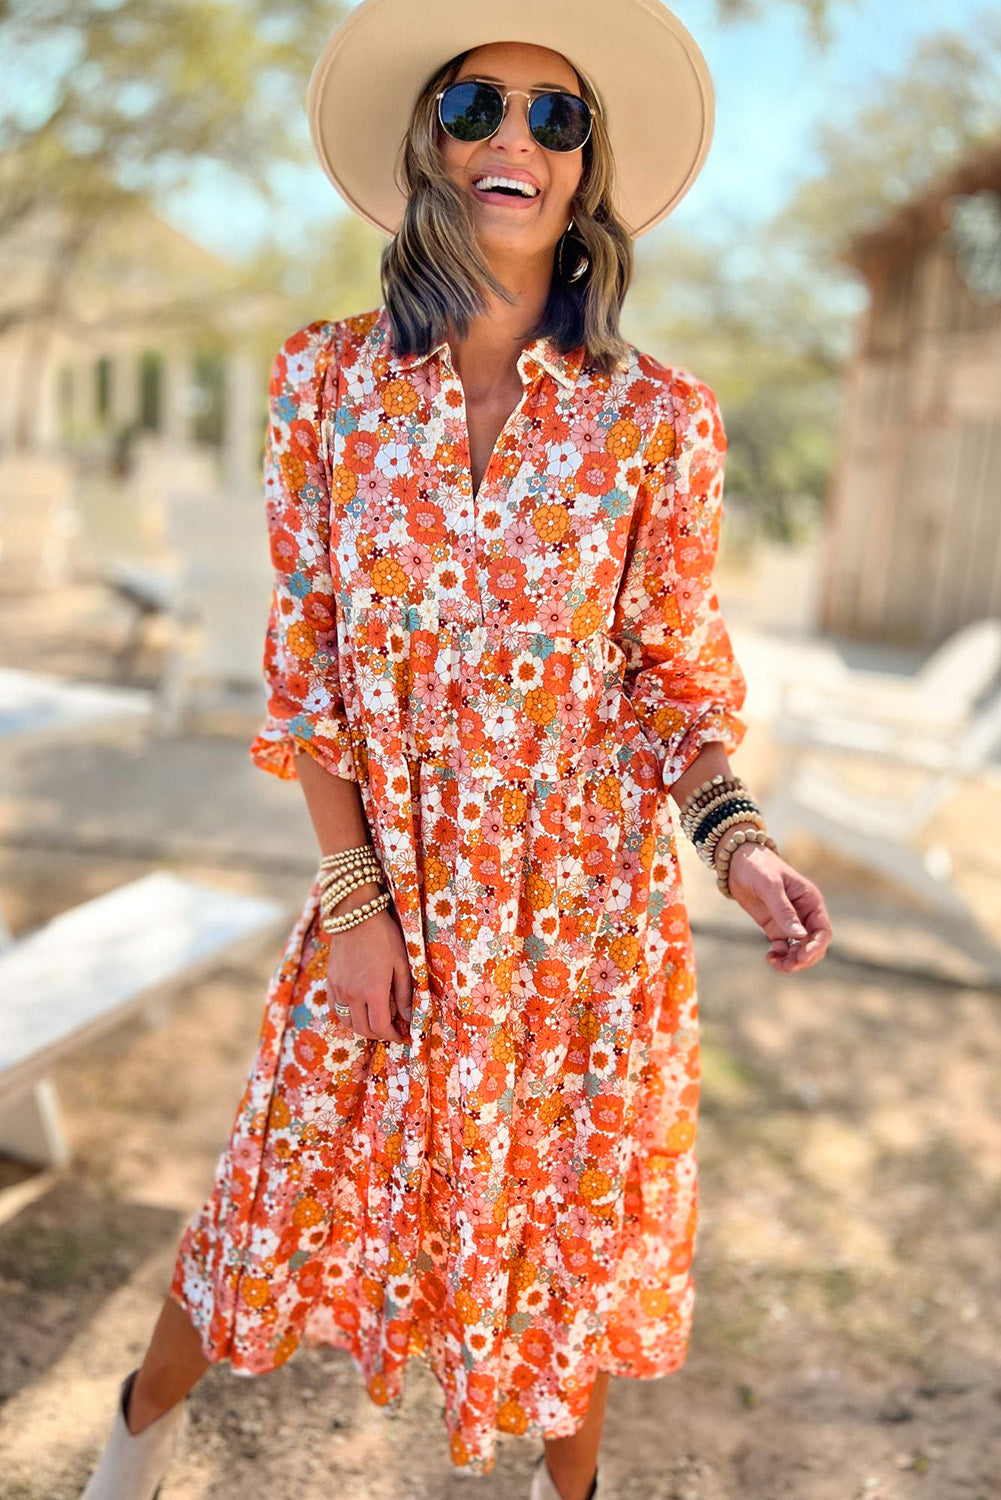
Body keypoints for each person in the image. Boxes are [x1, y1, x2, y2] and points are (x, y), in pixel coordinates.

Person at [80, 2, 833, 1497]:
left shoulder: (658, 423)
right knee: (267, 1201)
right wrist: (356, 907)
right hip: (391, 907)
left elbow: (670, 683)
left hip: (579, 932)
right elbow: (306, 679)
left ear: (586, 165)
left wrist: (741, 846)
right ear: (432, 142)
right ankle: (124, 1449)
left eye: (554, 120)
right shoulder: (326, 383)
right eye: (478, 106)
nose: (513, 140)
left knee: (560, 1261)